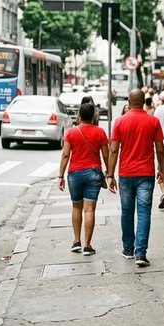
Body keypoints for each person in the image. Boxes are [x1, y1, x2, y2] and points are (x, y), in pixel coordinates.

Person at [106, 89, 164, 267]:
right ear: (143, 102)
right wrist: (162, 169)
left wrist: (110, 174)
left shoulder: (120, 122)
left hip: (125, 174)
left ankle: (128, 249)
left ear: (129, 102)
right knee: (144, 213)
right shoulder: (153, 121)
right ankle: (141, 253)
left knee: (127, 211)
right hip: (146, 173)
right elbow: (160, 149)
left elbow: (114, 150)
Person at [57, 103, 110, 256]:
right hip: (93, 173)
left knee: (76, 207)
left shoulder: (71, 132)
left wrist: (60, 176)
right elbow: (106, 155)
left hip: (74, 174)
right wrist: (109, 172)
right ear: (93, 116)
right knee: (89, 210)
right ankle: (87, 245)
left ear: (79, 116)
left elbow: (65, 155)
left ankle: (76, 241)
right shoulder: (100, 132)